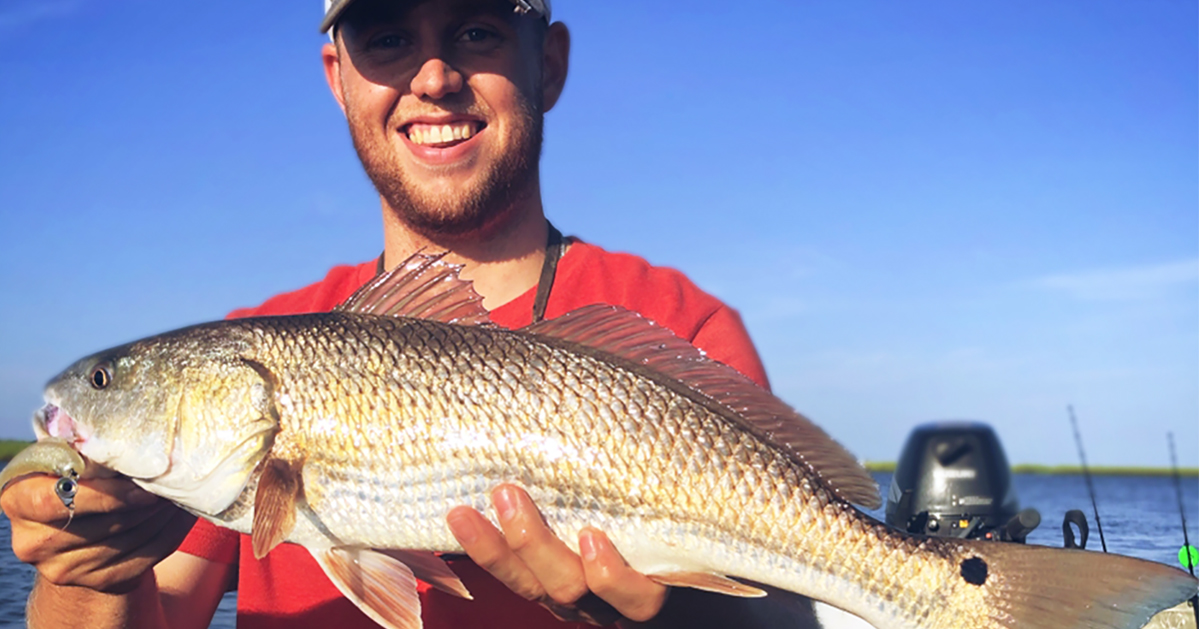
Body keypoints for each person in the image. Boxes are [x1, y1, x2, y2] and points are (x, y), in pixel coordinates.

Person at [2, 1, 815, 627]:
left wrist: (675, 615)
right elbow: (165, 606)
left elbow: (784, 603)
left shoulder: (682, 325)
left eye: (476, 30)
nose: (433, 77)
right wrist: (81, 574)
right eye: (387, 39)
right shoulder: (263, 337)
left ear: (551, 62)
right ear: (336, 75)